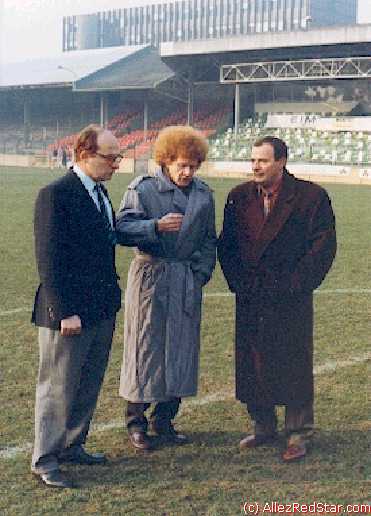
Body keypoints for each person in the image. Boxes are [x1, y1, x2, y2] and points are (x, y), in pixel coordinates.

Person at [218, 136, 336, 462]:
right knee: (253, 361)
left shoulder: (311, 197)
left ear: (281, 161)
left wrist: (294, 285)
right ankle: (263, 425)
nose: (255, 166)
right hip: (252, 296)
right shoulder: (238, 197)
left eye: (263, 160)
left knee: (293, 360)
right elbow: (227, 245)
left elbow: (322, 248)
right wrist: (240, 284)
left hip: (290, 297)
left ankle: (298, 431)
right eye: (253, 160)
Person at [31, 124, 125, 488]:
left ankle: (73, 444)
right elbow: (49, 259)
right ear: (85, 155)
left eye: (118, 156)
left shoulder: (100, 194)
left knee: (87, 383)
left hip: (101, 309)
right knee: (57, 387)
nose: (117, 164)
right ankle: (46, 458)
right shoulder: (56, 194)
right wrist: (62, 311)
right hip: (68, 313)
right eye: (110, 157)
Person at [116, 125, 217, 451]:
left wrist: (199, 273)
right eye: (181, 165)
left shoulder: (203, 195)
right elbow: (121, 228)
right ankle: (136, 421)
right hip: (151, 277)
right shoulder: (143, 189)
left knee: (181, 348)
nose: (187, 172)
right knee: (145, 347)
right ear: (166, 161)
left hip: (185, 279)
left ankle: (165, 419)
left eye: (193, 166)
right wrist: (154, 227)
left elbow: (208, 240)